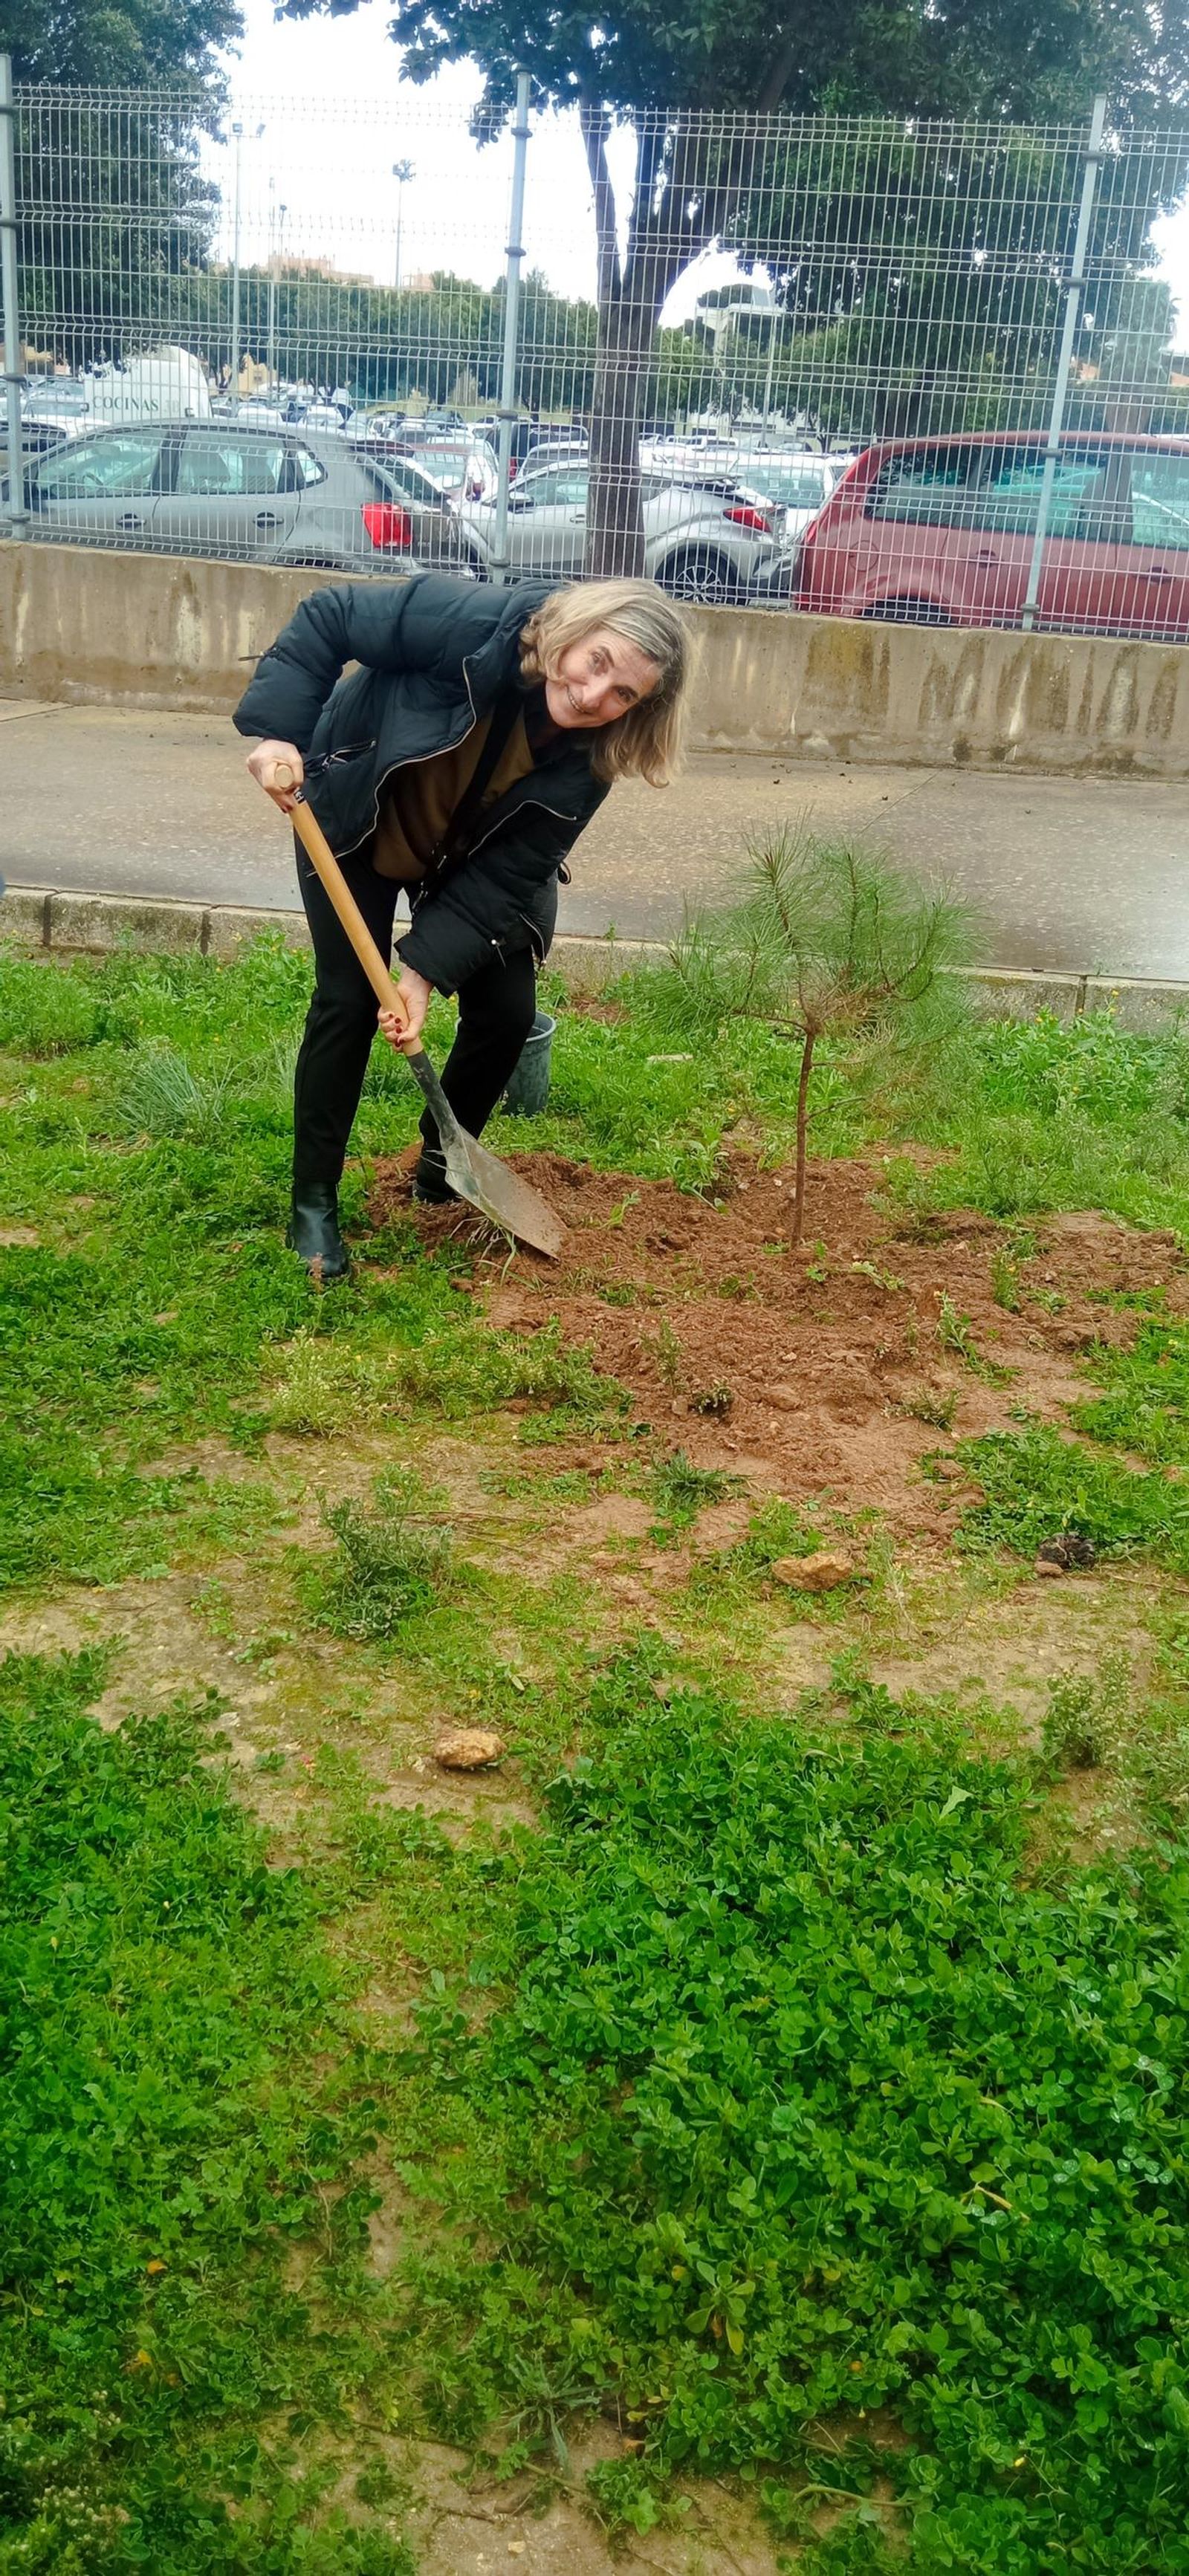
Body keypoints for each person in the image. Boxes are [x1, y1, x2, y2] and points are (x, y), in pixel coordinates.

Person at [235, 574, 692, 1279]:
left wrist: (420, 974)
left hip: (470, 861)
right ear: (574, 630)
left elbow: (509, 877)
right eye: (596, 662)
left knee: (507, 1012)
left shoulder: (594, 759)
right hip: (360, 813)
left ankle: (444, 1161)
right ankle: (314, 1201)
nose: (593, 696)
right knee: (348, 1002)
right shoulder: (474, 624)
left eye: (623, 694)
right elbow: (332, 616)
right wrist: (279, 734)